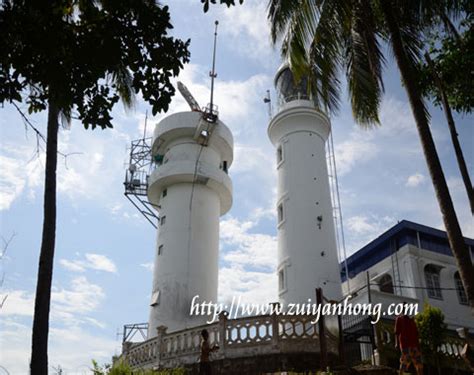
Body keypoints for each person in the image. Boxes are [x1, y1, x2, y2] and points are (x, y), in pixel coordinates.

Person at [394, 304, 423, 375]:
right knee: (405, 362)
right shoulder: (399, 319)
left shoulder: (412, 321)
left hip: (414, 345)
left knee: (418, 363)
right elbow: (397, 332)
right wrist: (397, 343)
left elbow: (416, 334)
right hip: (405, 344)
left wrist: (418, 347)